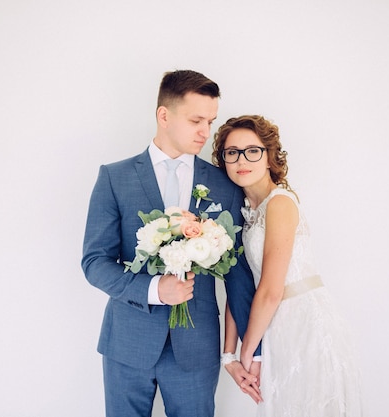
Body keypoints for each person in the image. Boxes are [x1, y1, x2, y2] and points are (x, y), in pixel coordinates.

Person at [81, 70, 258, 417]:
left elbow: (238, 276)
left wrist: (249, 351)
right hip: (126, 345)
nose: (205, 133)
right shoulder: (114, 178)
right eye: (196, 120)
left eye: (210, 121)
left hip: (197, 349)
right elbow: (94, 262)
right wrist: (154, 290)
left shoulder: (225, 186)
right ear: (164, 115)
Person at [212, 115, 364, 416]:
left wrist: (248, 352)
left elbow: (269, 290)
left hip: (305, 324)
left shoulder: (279, 203)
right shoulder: (243, 214)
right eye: (232, 152)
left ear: (269, 157)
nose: (242, 159)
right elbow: (238, 284)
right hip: (275, 328)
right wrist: (228, 355)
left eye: (252, 151)